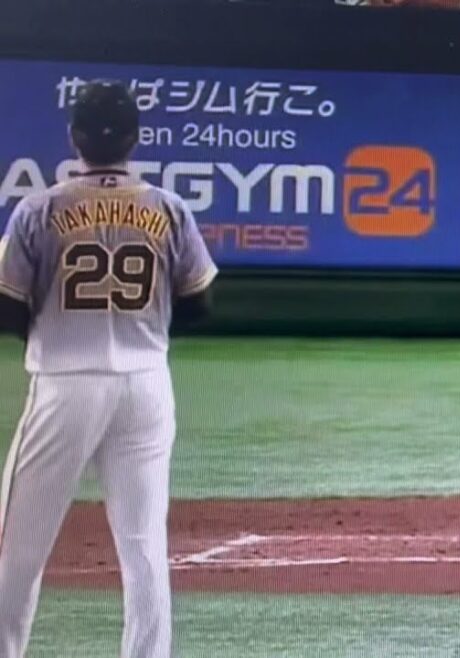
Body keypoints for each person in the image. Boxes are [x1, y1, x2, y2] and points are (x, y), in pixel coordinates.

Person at [0, 79, 218, 656]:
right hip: (146, 385)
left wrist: (52, 328)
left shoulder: (41, 208)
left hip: (65, 383)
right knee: (144, 546)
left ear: (74, 137)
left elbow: (7, 307)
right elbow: (199, 303)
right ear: (134, 139)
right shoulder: (167, 208)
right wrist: (144, 328)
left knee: (18, 547)